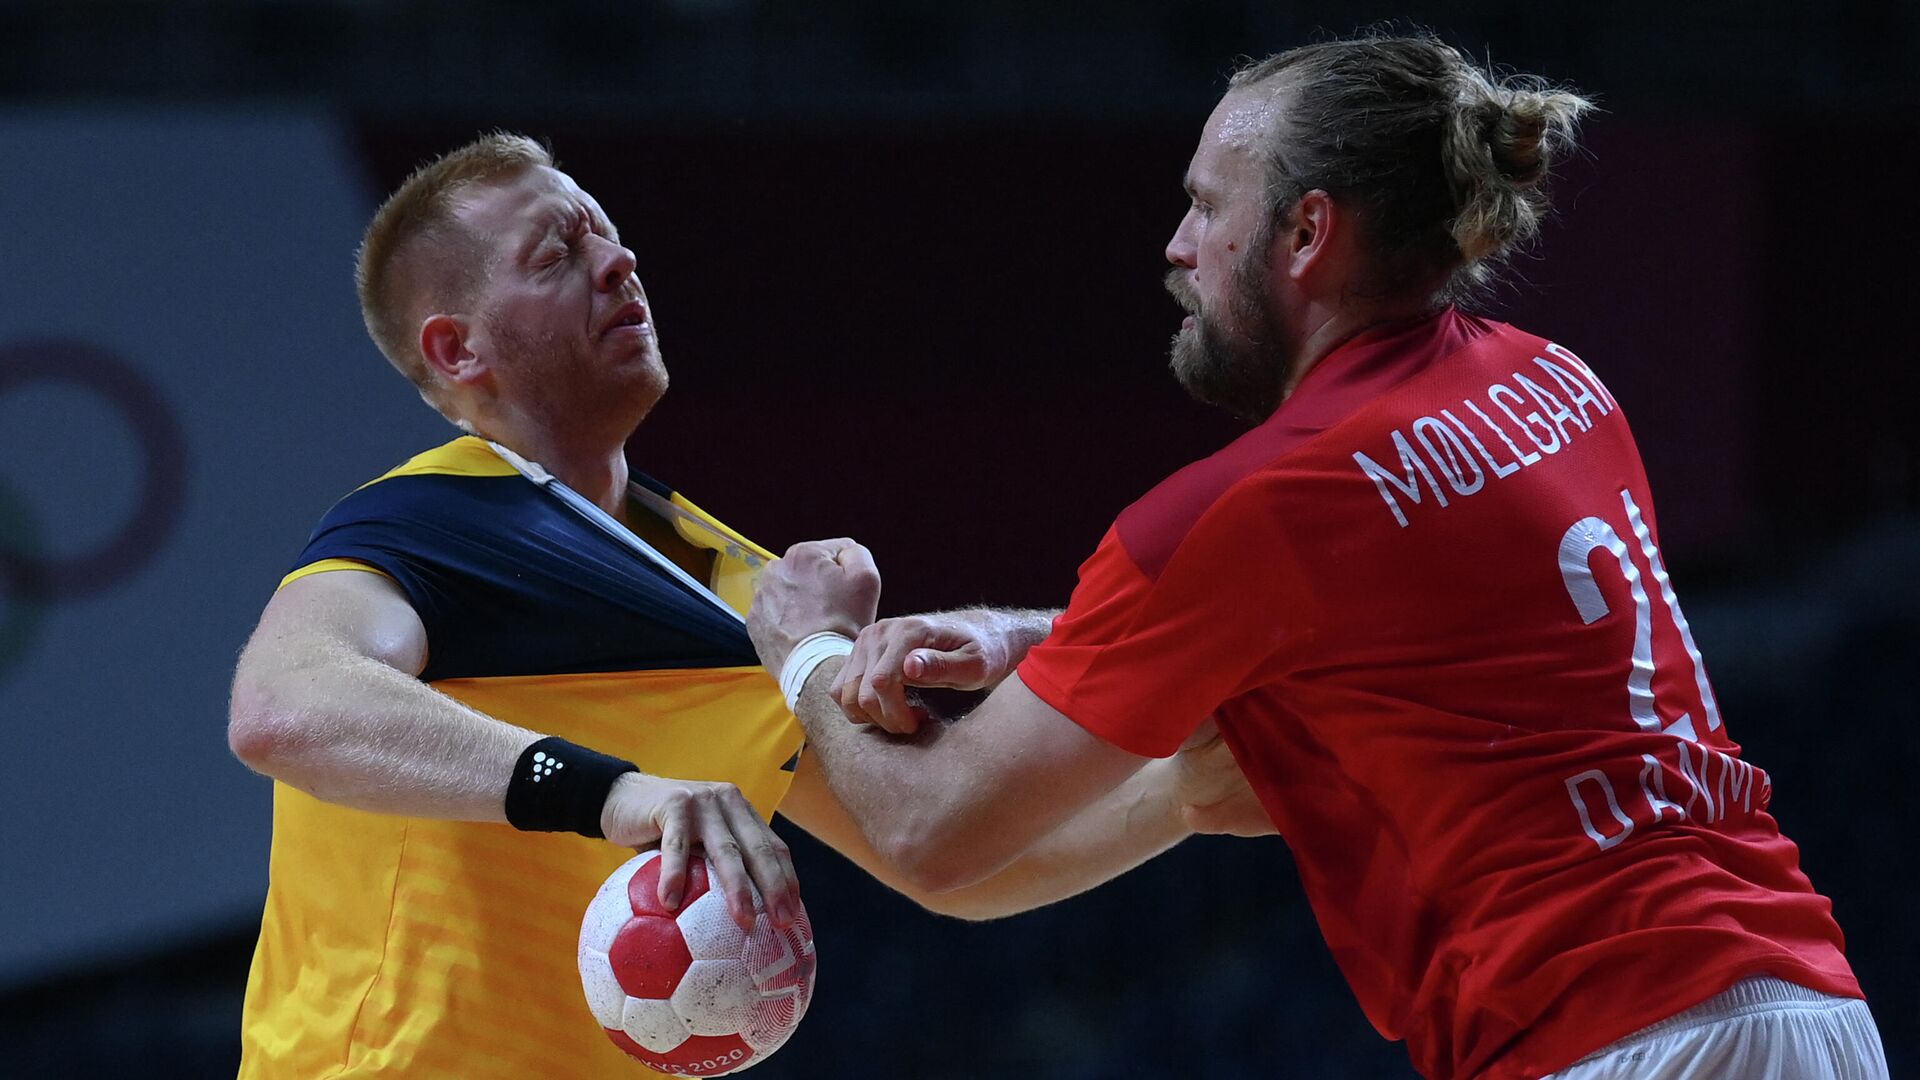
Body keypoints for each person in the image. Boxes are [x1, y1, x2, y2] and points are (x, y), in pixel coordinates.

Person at [745, 34, 1888, 1080]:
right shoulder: (1554, 381)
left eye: (1205, 205)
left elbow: (931, 834)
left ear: (1306, 232)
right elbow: (1372, 612)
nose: (1178, 246)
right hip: (1807, 1006)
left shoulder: (1260, 506)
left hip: (1619, 1031)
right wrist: (1022, 636)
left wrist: (805, 646)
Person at [225, 133, 1244, 1079]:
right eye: (557, 253)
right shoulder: (437, 518)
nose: (619, 263)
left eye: (610, 237)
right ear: (458, 353)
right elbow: (286, 708)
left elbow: (947, 855)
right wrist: (615, 792)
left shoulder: (747, 591)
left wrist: (1183, 796)